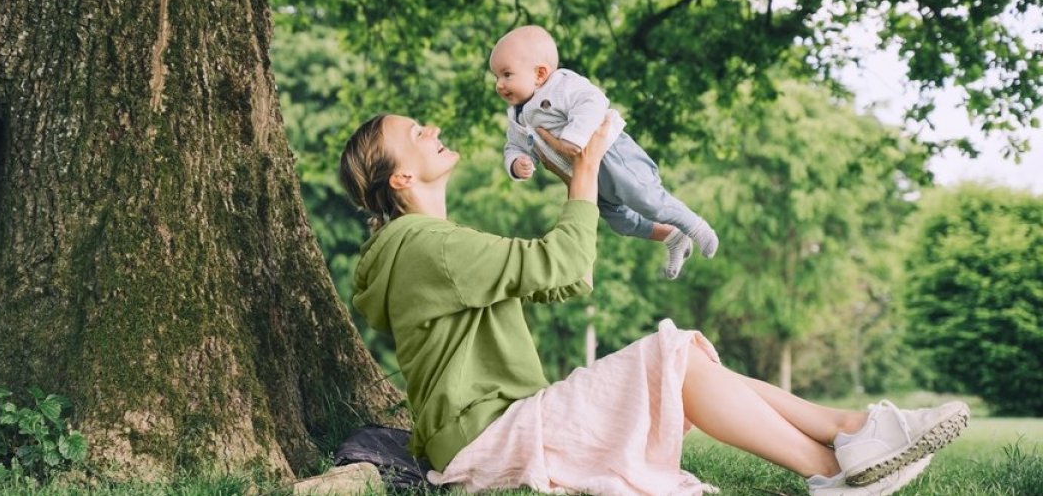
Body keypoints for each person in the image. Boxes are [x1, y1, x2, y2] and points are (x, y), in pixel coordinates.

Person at [337, 112, 968, 496]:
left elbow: (559, 280)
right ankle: (832, 465)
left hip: (493, 431)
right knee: (674, 355)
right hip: (491, 439)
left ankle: (851, 433)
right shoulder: (425, 246)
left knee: (684, 353)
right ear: (400, 178)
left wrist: (582, 191)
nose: (433, 129)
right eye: (415, 134)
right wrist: (584, 176)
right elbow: (564, 263)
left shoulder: (425, 247)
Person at [491, 24, 716, 279]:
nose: (499, 85)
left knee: (648, 200)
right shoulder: (516, 120)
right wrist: (517, 162)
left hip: (612, 155)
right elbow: (515, 146)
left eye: (506, 74)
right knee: (622, 223)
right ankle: (673, 237)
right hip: (587, 176)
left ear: (540, 74)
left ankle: (697, 227)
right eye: (496, 77)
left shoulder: (561, 85)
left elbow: (593, 101)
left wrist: (574, 137)